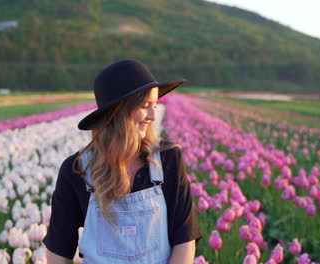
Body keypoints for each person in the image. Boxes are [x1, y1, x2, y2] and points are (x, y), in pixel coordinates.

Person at [42, 59, 202, 264]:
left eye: (155, 105)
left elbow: (184, 240)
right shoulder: (77, 170)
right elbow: (59, 250)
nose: (153, 115)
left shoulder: (167, 159)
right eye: (145, 106)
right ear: (118, 112)